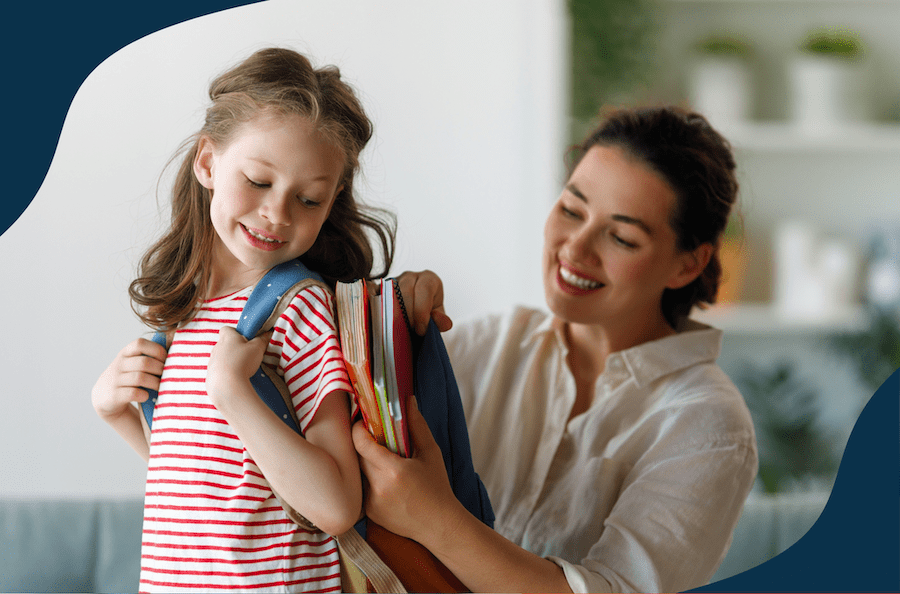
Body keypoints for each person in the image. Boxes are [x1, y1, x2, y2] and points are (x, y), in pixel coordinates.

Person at [354, 106, 759, 593]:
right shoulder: (488, 346)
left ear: (687, 265)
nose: (576, 248)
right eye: (571, 209)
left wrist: (433, 517)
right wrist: (391, 321)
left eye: (622, 237)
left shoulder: (708, 425)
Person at [91, 47, 395, 593]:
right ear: (207, 162)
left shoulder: (297, 309)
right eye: (258, 181)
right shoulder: (187, 316)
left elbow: (334, 505)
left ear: (333, 201)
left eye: (308, 198)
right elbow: (209, 487)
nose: (278, 213)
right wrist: (117, 414)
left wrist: (233, 390)